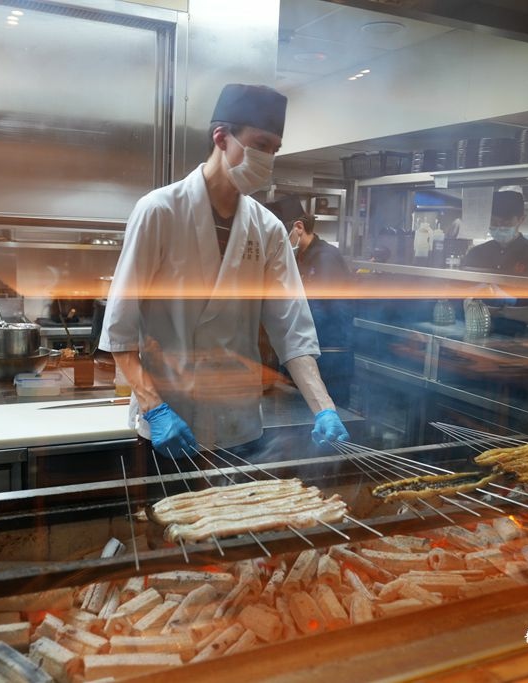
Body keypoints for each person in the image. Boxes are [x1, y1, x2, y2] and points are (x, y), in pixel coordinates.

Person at [99, 83, 349, 459]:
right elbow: (120, 333)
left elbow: (292, 330)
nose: (267, 159)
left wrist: (323, 405)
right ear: (222, 137)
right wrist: (155, 407)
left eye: (274, 150)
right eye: (261, 145)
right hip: (169, 423)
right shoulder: (160, 211)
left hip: (240, 424)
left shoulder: (268, 230)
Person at [268, 194, 354, 406]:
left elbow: (316, 313)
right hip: (304, 357)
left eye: (279, 237)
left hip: (329, 360)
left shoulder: (326, 258)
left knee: (327, 420)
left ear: (298, 227)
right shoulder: (297, 258)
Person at [461, 190, 528, 277]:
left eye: (506, 223)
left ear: (521, 219)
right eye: (494, 222)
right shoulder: (476, 253)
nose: (500, 227)